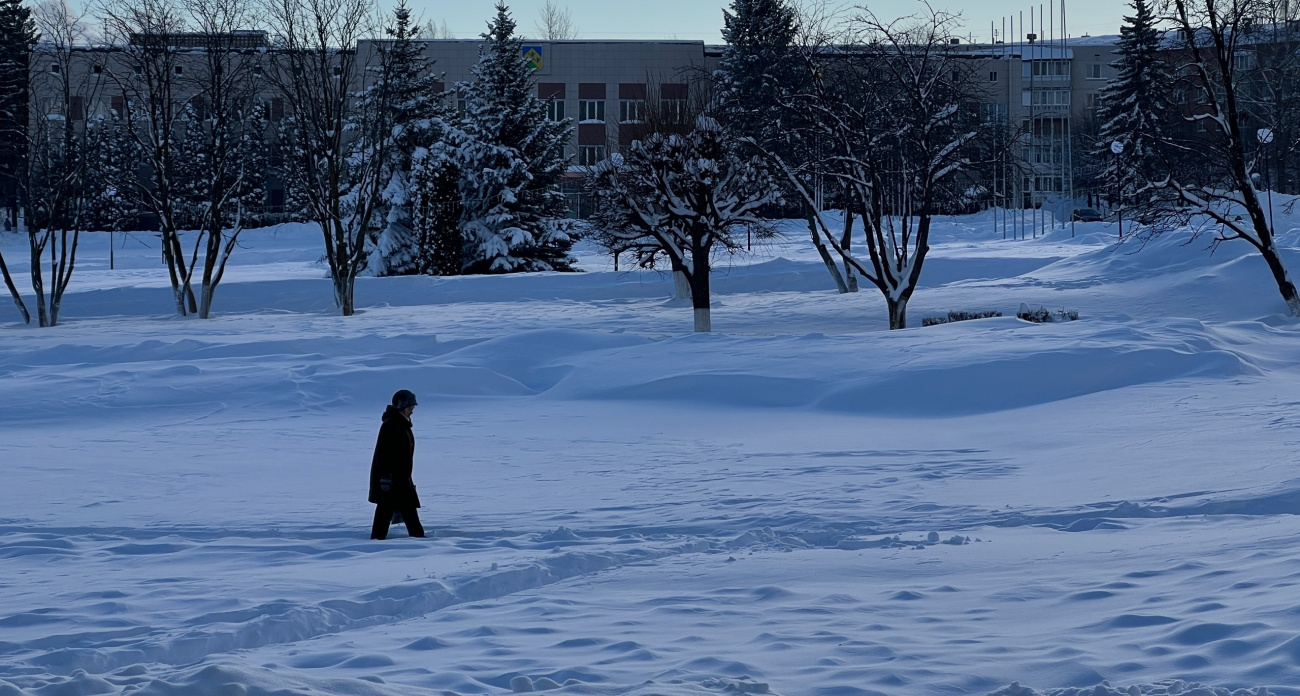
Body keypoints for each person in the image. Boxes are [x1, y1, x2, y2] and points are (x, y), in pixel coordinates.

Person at [368, 389, 426, 540]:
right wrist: (386, 477)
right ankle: (418, 539)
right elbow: (384, 454)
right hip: (392, 480)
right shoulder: (391, 425)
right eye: (410, 408)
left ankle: (417, 538)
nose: (412, 412)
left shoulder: (401, 424)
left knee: (399, 509)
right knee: (389, 509)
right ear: (402, 406)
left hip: (400, 478)